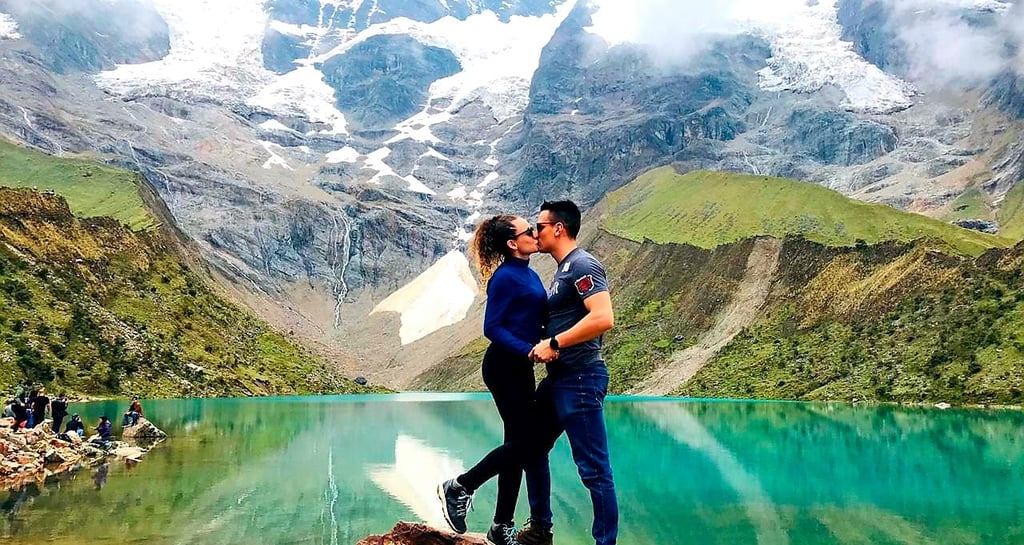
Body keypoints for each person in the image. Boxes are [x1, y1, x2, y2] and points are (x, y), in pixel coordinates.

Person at [438, 215, 551, 545]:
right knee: (527, 444)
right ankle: (460, 485)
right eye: (528, 231)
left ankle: (501, 526)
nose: (535, 233)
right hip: (504, 367)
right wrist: (528, 350)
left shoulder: (529, 273)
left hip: (520, 368)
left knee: (517, 445)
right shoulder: (504, 277)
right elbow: (492, 327)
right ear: (513, 243)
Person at [517, 201, 618, 545]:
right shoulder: (562, 270)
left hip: (581, 378)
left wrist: (555, 342)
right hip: (558, 380)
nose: (535, 233)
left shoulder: (583, 264)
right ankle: (540, 529)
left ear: (559, 228)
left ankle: (605, 542)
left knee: (594, 470)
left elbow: (603, 317)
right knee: (531, 447)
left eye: (540, 227)